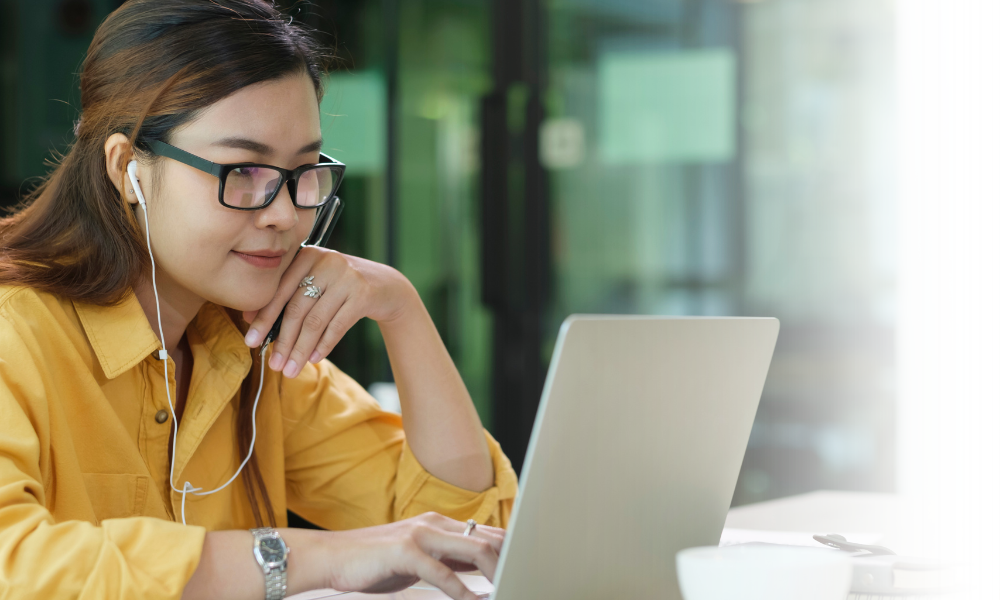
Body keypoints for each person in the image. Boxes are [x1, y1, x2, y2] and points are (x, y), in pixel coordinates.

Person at [0, 1, 517, 599]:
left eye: (302, 170)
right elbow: (17, 566)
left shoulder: (249, 343)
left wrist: (400, 308)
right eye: (241, 170)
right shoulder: (17, 332)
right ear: (126, 169)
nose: (284, 212)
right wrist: (308, 557)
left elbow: (471, 536)